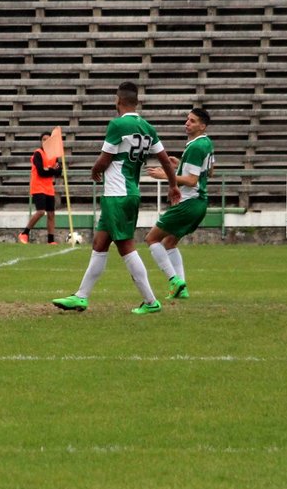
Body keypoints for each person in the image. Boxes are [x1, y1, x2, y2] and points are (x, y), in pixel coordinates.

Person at [52, 81, 181, 315]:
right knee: (100, 243)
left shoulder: (117, 124)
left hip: (117, 193)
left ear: (117, 100)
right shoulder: (147, 128)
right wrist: (173, 185)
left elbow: (105, 159)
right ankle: (81, 296)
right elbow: (164, 159)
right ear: (137, 101)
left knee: (126, 246)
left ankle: (150, 301)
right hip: (129, 192)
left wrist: (95, 170)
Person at [145, 108, 214, 300]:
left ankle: (174, 280)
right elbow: (210, 171)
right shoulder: (206, 143)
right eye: (187, 119)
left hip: (188, 203)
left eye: (192, 121)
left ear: (202, 126)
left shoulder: (195, 147)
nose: (187, 123)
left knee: (151, 239)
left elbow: (191, 181)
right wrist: (182, 164)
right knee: (169, 242)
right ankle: (181, 289)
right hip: (199, 203)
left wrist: (166, 175)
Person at [19, 132, 64, 245]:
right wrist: (52, 170)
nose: (45, 141)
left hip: (49, 187)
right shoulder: (38, 154)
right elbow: (41, 172)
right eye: (44, 139)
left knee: (51, 214)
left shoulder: (54, 155)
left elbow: (59, 172)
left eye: (48, 139)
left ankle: (51, 240)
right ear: (41, 141)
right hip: (38, 186)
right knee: (41, 211)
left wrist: (49, 169)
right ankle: (24, 233)